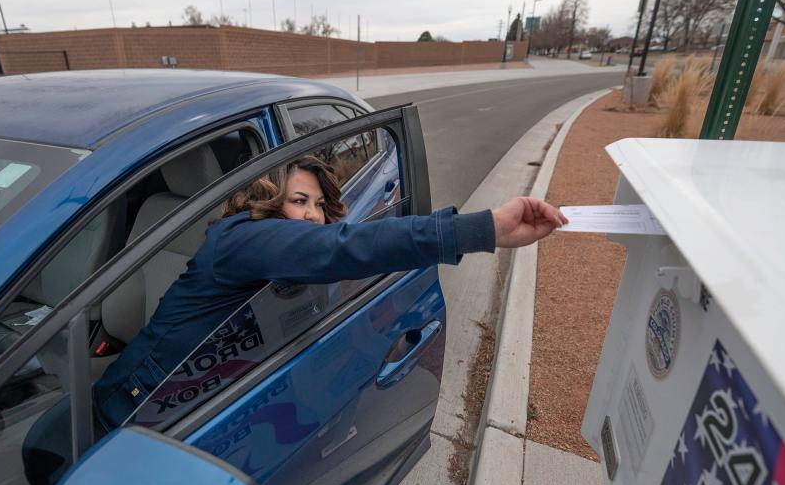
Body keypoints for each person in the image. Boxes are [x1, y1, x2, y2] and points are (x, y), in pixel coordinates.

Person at [92, 155, 567, 430]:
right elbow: (346, 247)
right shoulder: (240, 237)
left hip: (193, 402)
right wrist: (481, 229)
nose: (315, 215)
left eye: (320, 205)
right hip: (133, 405)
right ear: (265, 198)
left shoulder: (276, 253)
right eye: (300, 201)